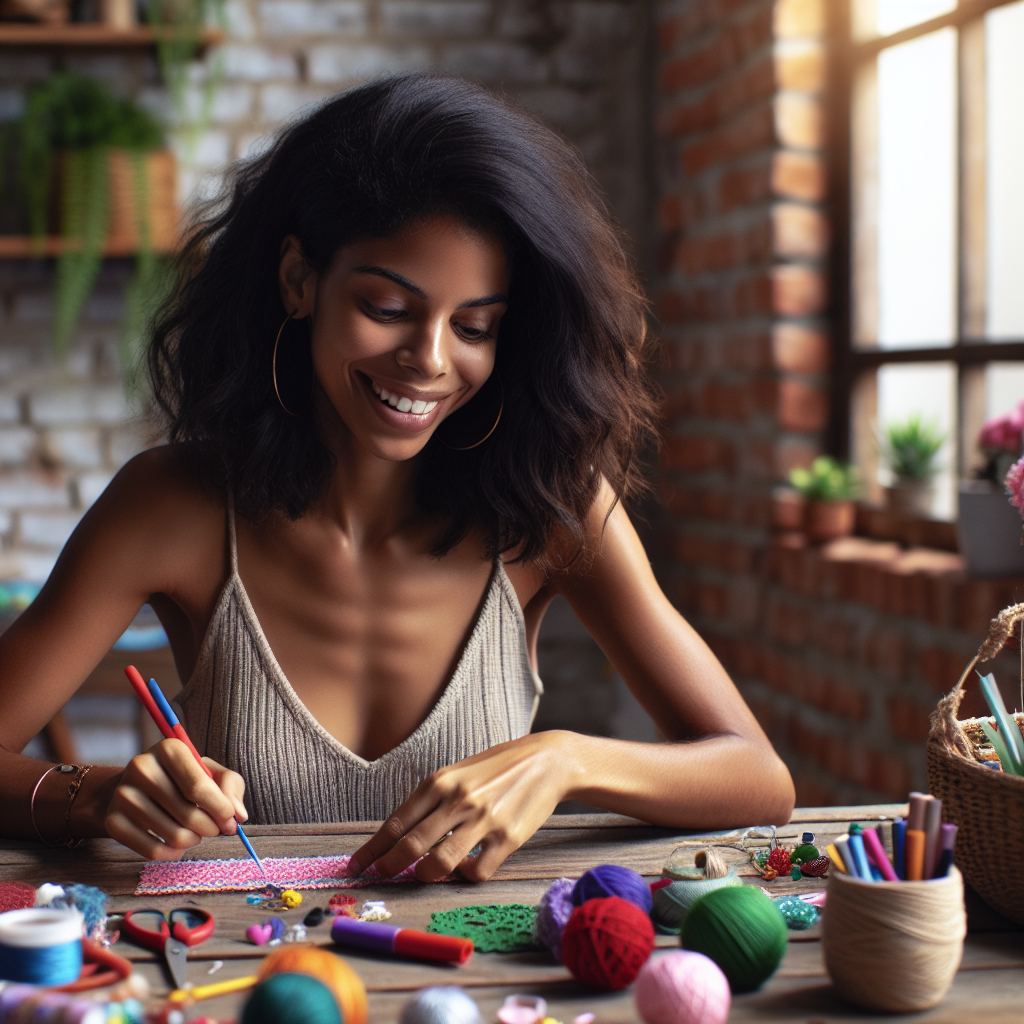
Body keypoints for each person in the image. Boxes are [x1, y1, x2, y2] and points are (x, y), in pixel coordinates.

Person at [0, 75, 794, 882]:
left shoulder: (553, 507)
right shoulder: (173, 506)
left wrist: (564, 761)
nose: (432, 360)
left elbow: (757, 777)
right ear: (299, 280)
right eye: (387, 307)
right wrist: (93, 796)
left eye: (475, 325)